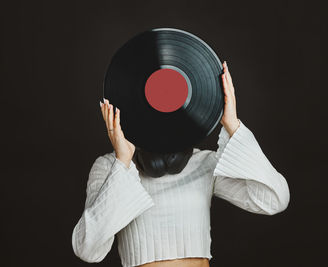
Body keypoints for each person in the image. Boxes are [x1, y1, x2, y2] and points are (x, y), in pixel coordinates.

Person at [71, 61, 290, 267]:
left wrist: (233, 125)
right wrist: (123, 162)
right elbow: (87, 249)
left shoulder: (204, 162)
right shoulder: (110, 166)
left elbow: (274, 200)